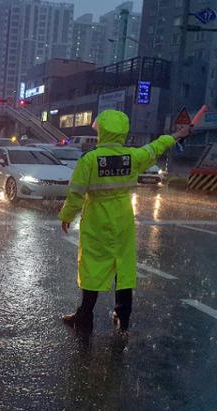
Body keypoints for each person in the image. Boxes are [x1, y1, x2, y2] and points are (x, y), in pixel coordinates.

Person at [58, 109, 191, 333]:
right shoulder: (132, 157)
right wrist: (178, 135)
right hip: (123, 218)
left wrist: (67, 216)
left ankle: (84, 317)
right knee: (124, 265)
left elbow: (76, 193)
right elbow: (157, 146)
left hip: (97, 219)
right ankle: (123, 316)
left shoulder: (89, 160)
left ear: (102, 131)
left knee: (93, 266)